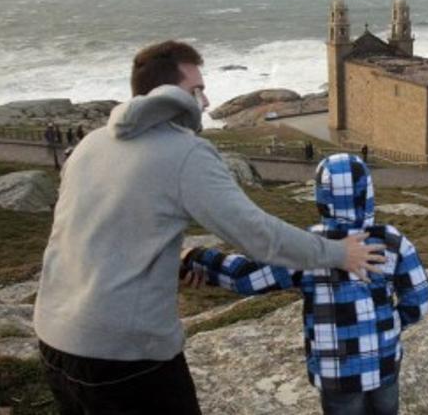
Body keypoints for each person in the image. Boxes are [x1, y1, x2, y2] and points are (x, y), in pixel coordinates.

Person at [33, 41, 386, 415]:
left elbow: (99, 231)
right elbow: (258, 236)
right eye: (196, 90)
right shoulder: (186, 152)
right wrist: (338, 252)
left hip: (54, 336)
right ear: (169, 95)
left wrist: (176, 259)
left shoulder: (91, 143)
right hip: (125, 355)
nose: (205, 101)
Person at [182, 153, 428, 415]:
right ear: (367, 192)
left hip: (335, 371)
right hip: (385, 362)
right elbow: (419, 297)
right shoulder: (391, 241)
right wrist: (393, 325)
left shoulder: (307, 247)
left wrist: (197, 257)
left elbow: (246, 278)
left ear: (322, 196)